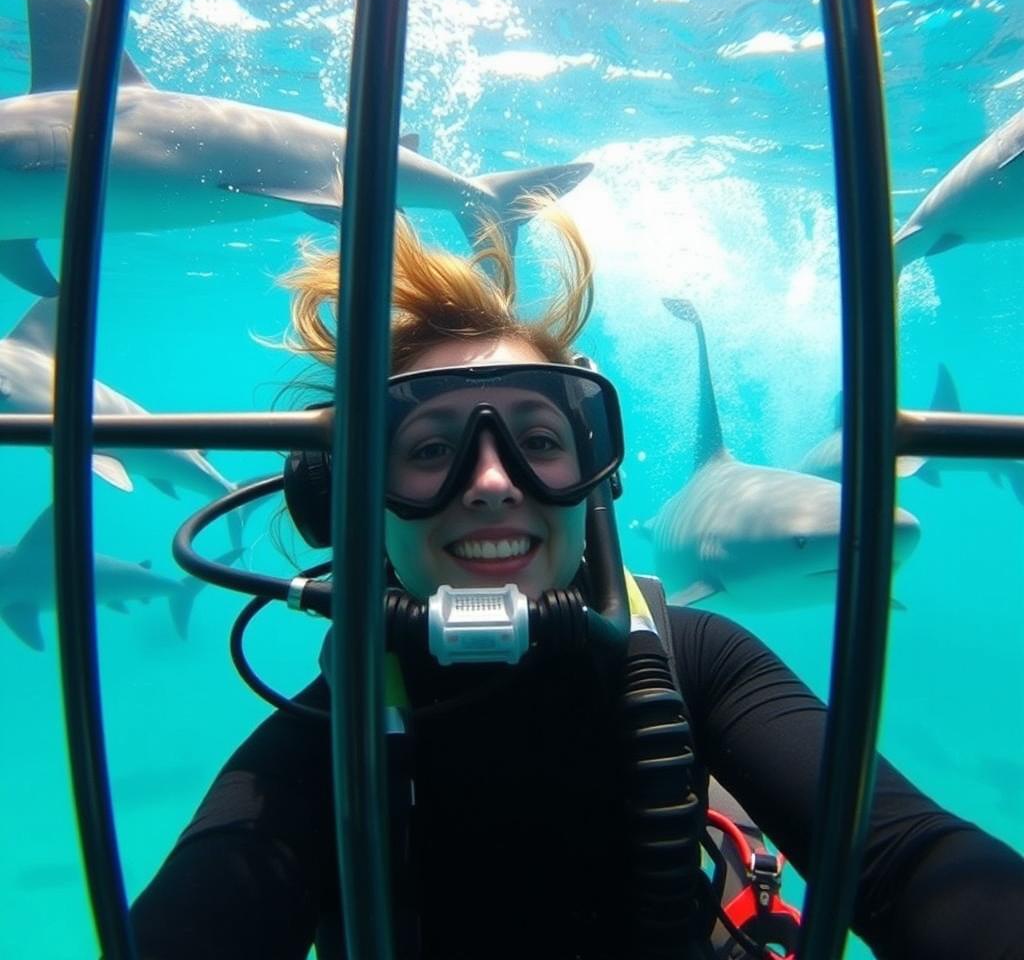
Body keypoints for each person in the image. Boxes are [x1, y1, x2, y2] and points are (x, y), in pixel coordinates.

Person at [129, 205, 1024, 959]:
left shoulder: (692, 660)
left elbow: (912, 859)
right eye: (432, 449)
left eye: (542, 441)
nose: (492, 483)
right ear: (353, 500)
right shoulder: (331, 734)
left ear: (595, 479)